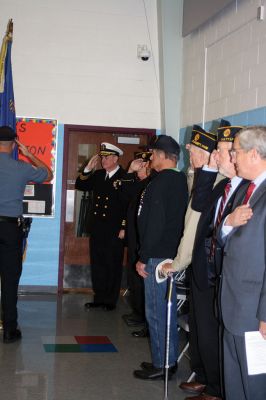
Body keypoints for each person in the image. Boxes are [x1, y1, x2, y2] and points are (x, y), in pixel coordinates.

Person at [181, 122, 246, 400]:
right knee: (204, 329)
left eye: (219, 152)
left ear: (235, 155)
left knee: (216, 333)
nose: (215, 156)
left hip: (224, 275)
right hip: (206, 270)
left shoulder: (247, 191)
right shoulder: (224, 187)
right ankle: (209, 380)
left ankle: (218, 388)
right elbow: (198, 204)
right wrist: (208, 167)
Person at [160, 125, 218, 391]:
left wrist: (178, 263)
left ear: (206, 153)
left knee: (206, 326)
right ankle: (203, 375)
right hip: (198, 262)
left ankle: (212, 384)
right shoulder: (194, 177)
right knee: (198, 323)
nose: (189, 154)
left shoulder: (210, 182)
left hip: (204, 264)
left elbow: (193, 227)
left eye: (193, 150)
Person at [133, 135, 188, 380]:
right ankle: (164, 359)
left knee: (156, 311)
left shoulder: (163, 182)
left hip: (157, 256)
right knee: (162, 312)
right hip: (166, 253)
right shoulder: (176, 180)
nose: (151, 158)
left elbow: (155, 224)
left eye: (154, 154)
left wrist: (143, 256)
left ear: (165, 156)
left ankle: (164, 365)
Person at [218, 126, 266, 400]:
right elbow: (224, 238)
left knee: (255, 386)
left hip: (254, 313)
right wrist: (227, 223)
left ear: (254, 153)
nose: (232, 158)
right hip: (233, 306)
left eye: (235, 152)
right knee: (235, 383)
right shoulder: (245, 190)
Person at [0, 125, 53, 343]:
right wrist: (30, 154)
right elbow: (47, 174)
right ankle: (10, 330)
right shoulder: (21, 167)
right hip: (10, 229)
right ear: (14, 145)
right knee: (10, 280)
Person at [75, 142, 128, 311]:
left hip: (114, 229)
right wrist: (88, 168)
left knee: (112, 263)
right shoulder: (98, 175)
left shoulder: (125, 176)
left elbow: (129, 205)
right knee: (97, 263)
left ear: (115, 158)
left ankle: (110, 300)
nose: (103, 160)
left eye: (106, 157)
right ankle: (99, 297)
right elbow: (81, 185)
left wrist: (124, 227)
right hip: (97, 227)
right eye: (102, 157)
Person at [121, 151, 153, 335]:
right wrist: (130, 172)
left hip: (144, 240)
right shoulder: (139, 183)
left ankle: (146, 320)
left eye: (143, 163)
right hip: (135, 239)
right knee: (134, 278)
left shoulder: (150, 184)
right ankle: (139, 313)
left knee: (143, 280)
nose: (139, 166)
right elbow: (124, 195)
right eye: (138, 163)